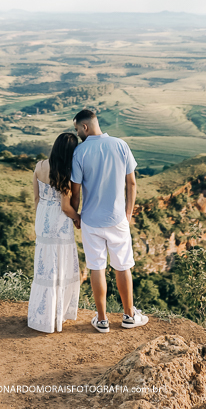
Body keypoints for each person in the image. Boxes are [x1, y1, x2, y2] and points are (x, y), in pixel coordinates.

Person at [70, 109, 149, 334]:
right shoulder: (120, 145)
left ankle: (102, 320)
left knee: (97, 267)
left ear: (85, 127)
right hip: (117, 219)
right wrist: (129, 213)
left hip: (91, 220)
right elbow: (132, 183)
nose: (78, 134)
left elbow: (75, 191)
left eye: (77, 129)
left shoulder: (79, 152)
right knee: (123, 266)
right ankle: (129, 315)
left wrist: (76, 215)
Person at [27, 131, 82, 333]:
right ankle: (57, 314)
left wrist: (42, 217)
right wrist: (78, 218)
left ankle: (40, 315)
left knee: (44, 266)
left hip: (42, 217)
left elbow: (36, 198)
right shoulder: (65, 173)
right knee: (60, 266)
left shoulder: (40, 166)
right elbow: (66, 207)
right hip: (60, 222)